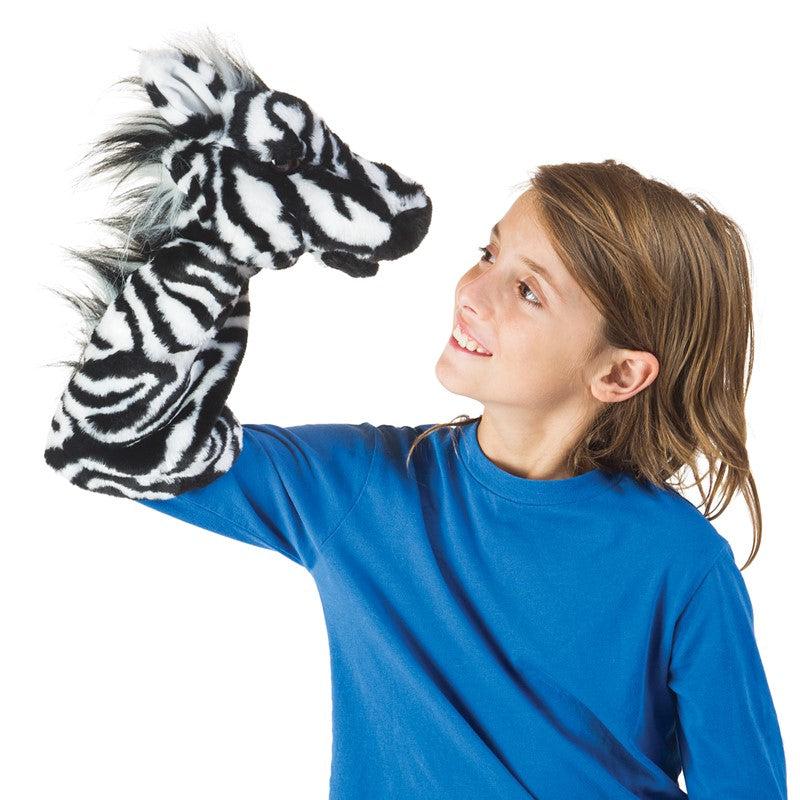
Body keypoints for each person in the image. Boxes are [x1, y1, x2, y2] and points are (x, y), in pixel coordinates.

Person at [133, 160, 786, 798]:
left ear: (618, 375)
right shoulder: (361, 490)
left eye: (528, 291)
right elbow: (129, 443)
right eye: (488, 253)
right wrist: (203, 236)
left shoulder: (683, 562)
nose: (472, 293)